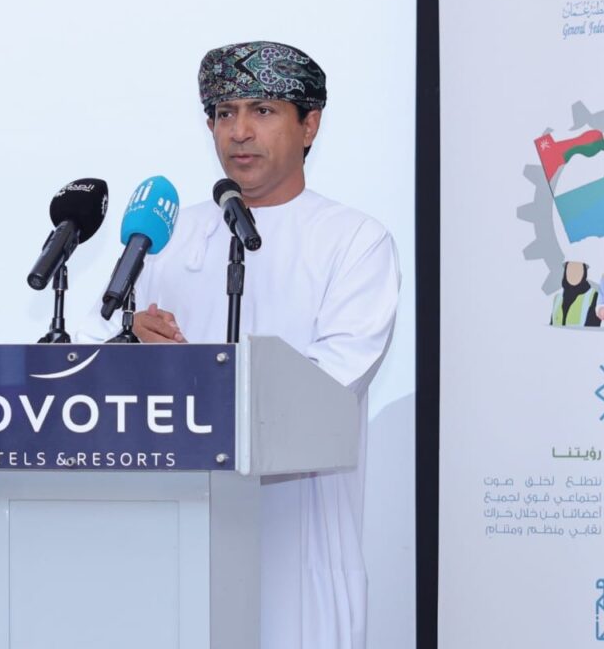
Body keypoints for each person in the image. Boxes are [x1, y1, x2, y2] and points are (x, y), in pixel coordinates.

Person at [87, 41, 399, 649]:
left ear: (309, 125)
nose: (239, 131)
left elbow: (327, 386)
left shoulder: (355, 242)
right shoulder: (168, 237)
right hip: (170, 537)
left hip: (297, 545)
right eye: (224, 113)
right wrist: (131, 343)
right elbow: (106, 375)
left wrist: (191, 374)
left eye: (263, 110)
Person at [549, 261, 601, 327]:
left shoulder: (594, 296)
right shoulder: (557, 298)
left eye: (578, 269)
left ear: (584, 272)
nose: (574, 273)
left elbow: (592, 329)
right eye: (570, 269)